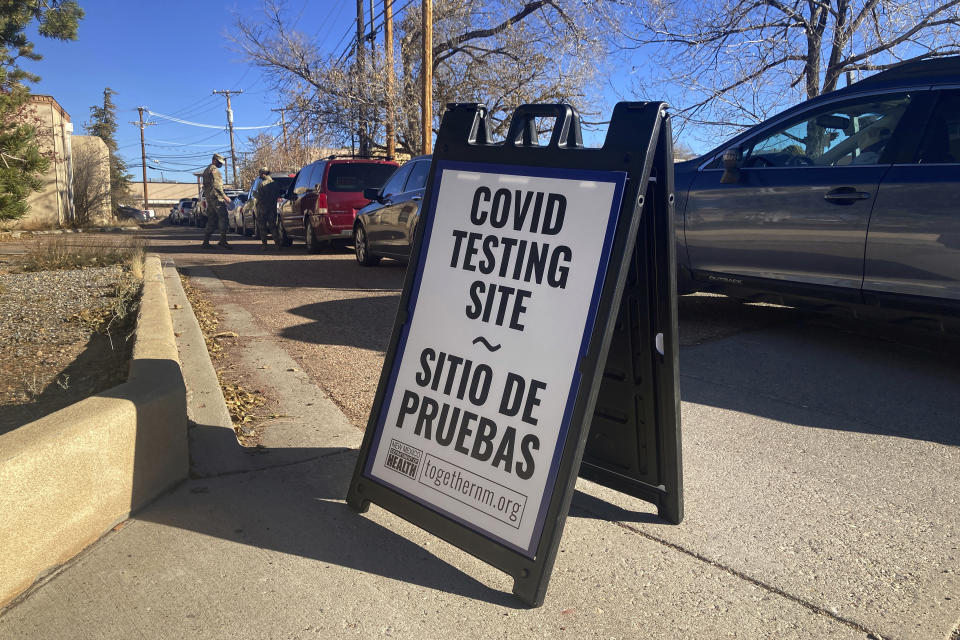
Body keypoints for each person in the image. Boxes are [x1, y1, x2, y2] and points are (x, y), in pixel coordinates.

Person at [201, 153, 233, 249]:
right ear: (214, 160)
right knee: (223, 218)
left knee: (212, 220)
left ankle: (206, 241)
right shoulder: (214, 170)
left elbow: (205, 186)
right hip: (216, 198)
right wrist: (224, 196)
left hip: (209, 198)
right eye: (219, 162)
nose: (221, 165)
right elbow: (217, 185)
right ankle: (223, 241)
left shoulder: (206, 170)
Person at [254, 167, 278, 249]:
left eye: (260, 174)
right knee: (273, 226)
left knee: (262, 227)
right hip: (272, 208)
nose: (260, 176)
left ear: (263, 174)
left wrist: (255, 195)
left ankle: (264, 245)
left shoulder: (262, 184)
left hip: (263, 208)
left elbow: (260, 196)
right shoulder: (275, 184)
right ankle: (277, 245)